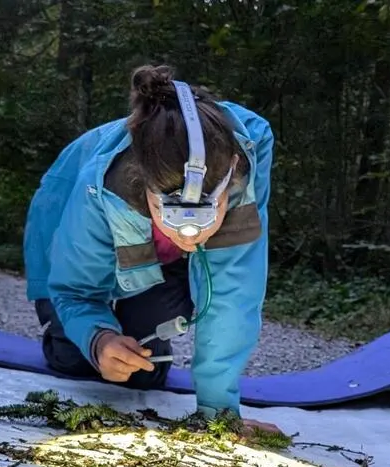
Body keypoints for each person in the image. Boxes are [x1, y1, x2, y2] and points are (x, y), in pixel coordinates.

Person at [23, 64, 280, 433]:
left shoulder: (246, 154)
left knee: (141, 374)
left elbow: (234, 287)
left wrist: (218, 412)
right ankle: (74, 336)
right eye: (170, 213)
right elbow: (76, 290)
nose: (191, 236)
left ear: (234, 172)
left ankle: (133, 326)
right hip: (69, 234)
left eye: (207, 214)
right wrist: (99, 339)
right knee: (77, 358)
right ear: (142, 183)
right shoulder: (101, 183)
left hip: (157, 260)